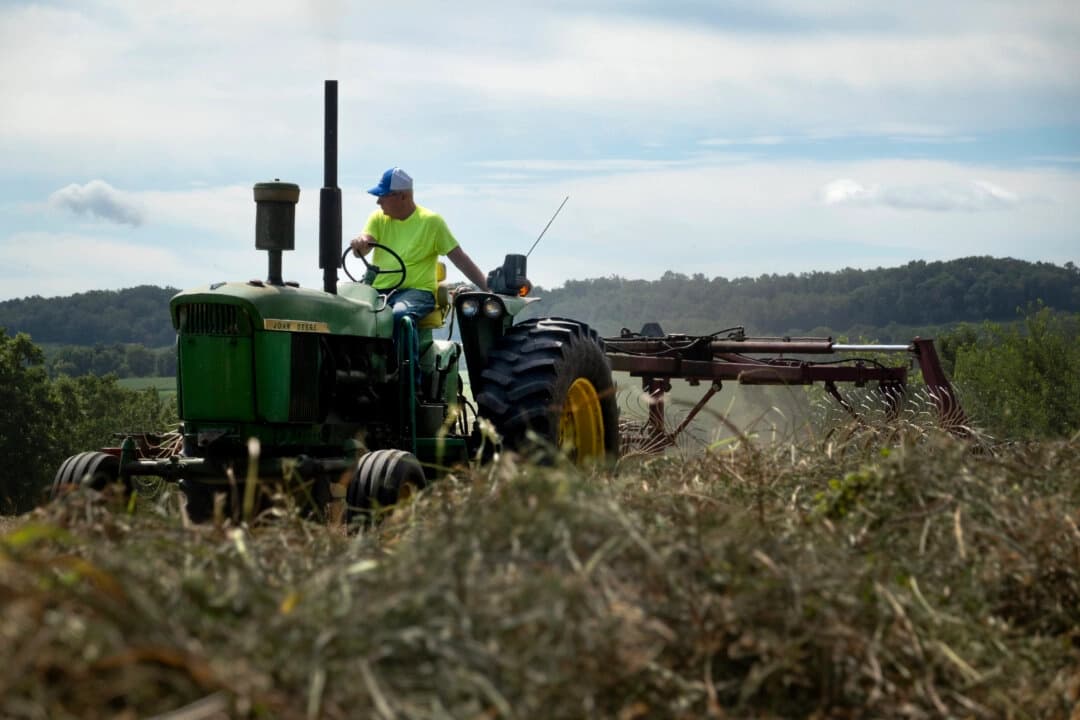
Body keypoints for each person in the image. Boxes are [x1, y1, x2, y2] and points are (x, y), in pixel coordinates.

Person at [350, 167, 488, 328]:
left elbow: (461, 260)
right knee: (351, 313)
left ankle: (404, 354)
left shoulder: (431, 222)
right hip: (379, 290)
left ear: (403, 196)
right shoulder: (378, 218)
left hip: (417, 292)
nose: (378, 201)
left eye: (383, 196)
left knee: (400, 316)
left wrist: (489, 289)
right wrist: (360, 243)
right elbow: (364, 245)